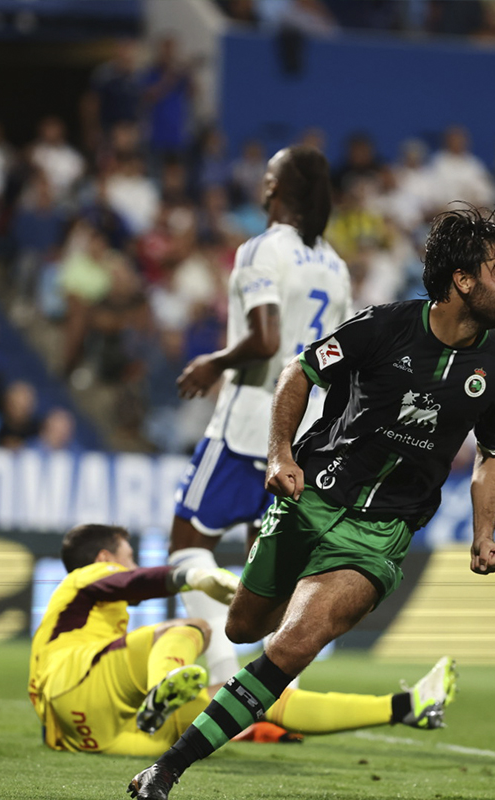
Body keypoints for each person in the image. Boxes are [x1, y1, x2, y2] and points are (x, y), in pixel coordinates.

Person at [130, 204, 495, 799]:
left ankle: (167, 769)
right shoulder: (383, 326)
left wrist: (484, 533)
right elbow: (299, 371)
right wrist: (279, 455)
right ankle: (281, 590)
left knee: (291, 645)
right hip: (312, 496)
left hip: (381, 532)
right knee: (243, 629)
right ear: (463, 281)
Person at [166, 144, 351, 690]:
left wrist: (214, 361)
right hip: (302, 429)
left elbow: (266, 338)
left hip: (248, 420)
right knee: (264, 558)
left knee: (187, 542)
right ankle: (278, 692)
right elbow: (337, 358)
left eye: (269, 174)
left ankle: (221, 672)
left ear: (274, 188)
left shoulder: (260, 251)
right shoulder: (336, 266)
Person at [30, 524, 458, 757]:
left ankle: (406, 708)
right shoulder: (83, 580)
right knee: (193, 627)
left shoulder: (77, 629)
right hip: (86, 691)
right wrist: (188, 576)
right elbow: (134, 581)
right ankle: (166, 682)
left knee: (253, 699)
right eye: (127, 555)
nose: (133, 563)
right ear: (105, 560)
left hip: (94, 735)